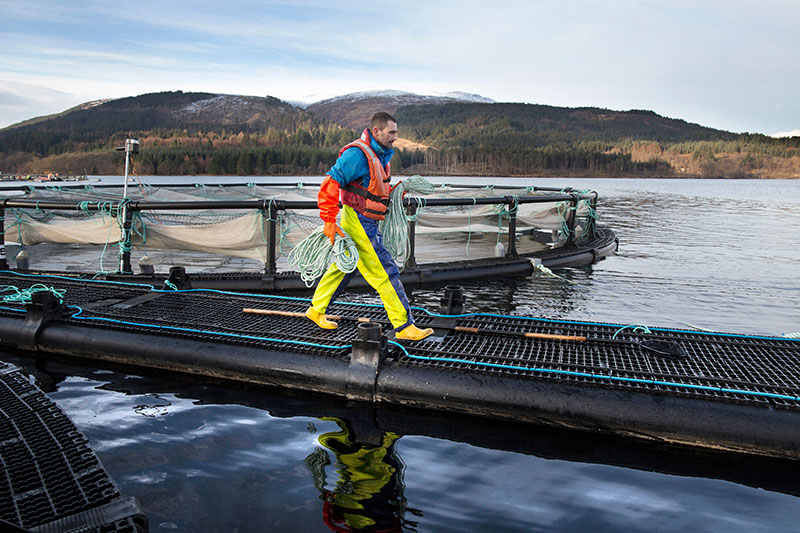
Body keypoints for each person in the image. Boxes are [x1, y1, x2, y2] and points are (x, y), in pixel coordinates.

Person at [305, 112, 433, 341]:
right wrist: (328, 221)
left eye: (396, 132)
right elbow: (330, 183)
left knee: (344, 266)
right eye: (391, 132)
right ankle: (404, 326)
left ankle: (316, 309)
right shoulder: (357, 154)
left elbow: (372, 189)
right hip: (358, 220)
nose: (396, 137)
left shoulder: (380, 155)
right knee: (385, 270)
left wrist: (395, 192)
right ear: (377, 131)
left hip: (364, 219)